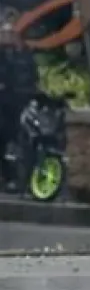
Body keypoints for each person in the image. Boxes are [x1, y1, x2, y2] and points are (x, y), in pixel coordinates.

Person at [0, 21, 39, 192]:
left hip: (22, 101)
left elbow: (31, 76)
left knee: (25, 141)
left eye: (11, 33)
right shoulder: (2, 54)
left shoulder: (25, 55)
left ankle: (23, 178)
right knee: (4, 139)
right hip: (4, 103)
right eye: (4, 33)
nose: (7, 37)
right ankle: (10, 177)